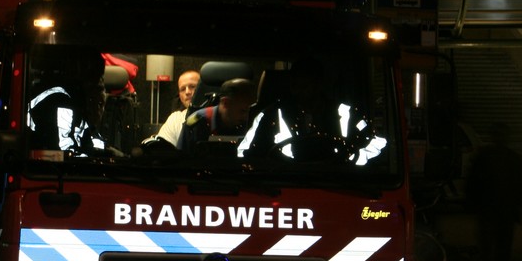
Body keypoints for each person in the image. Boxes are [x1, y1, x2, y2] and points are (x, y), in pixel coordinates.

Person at [237, 58, 386, 164]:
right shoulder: (270, 115)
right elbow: (246, 154)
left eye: (305, 86)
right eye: (295, 86)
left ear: (319, 85)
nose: (299, 92)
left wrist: (350, 160)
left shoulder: (347, 114)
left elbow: (376, 145)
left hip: (338, 184)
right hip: (285, 185)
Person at [466, 122, 522, 261]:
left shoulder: (485, 157)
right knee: (501, 253)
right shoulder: (512, 158)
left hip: (489, 211)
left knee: (488, 251)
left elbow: (473, 183)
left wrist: (473, 204)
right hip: (503, 212)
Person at [25, 46, 110, 156]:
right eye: (93, 86)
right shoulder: (60, 101)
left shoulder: (77, 103)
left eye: (100, 88)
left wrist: (109, 153)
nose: (98, 96)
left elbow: (90, 140)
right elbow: (64, 153)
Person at [179, 78, 255, 151]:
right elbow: (180, 156)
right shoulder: (196, 123)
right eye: (243, 111)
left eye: (249, 111)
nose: (246, 117)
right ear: (225, 103)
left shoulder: (252, 123)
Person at [150, 69, 200, 147]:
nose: (187, 92)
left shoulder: (218, 114)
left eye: (192, 87)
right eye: (182, 89)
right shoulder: (175, 119)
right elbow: (162, 150)